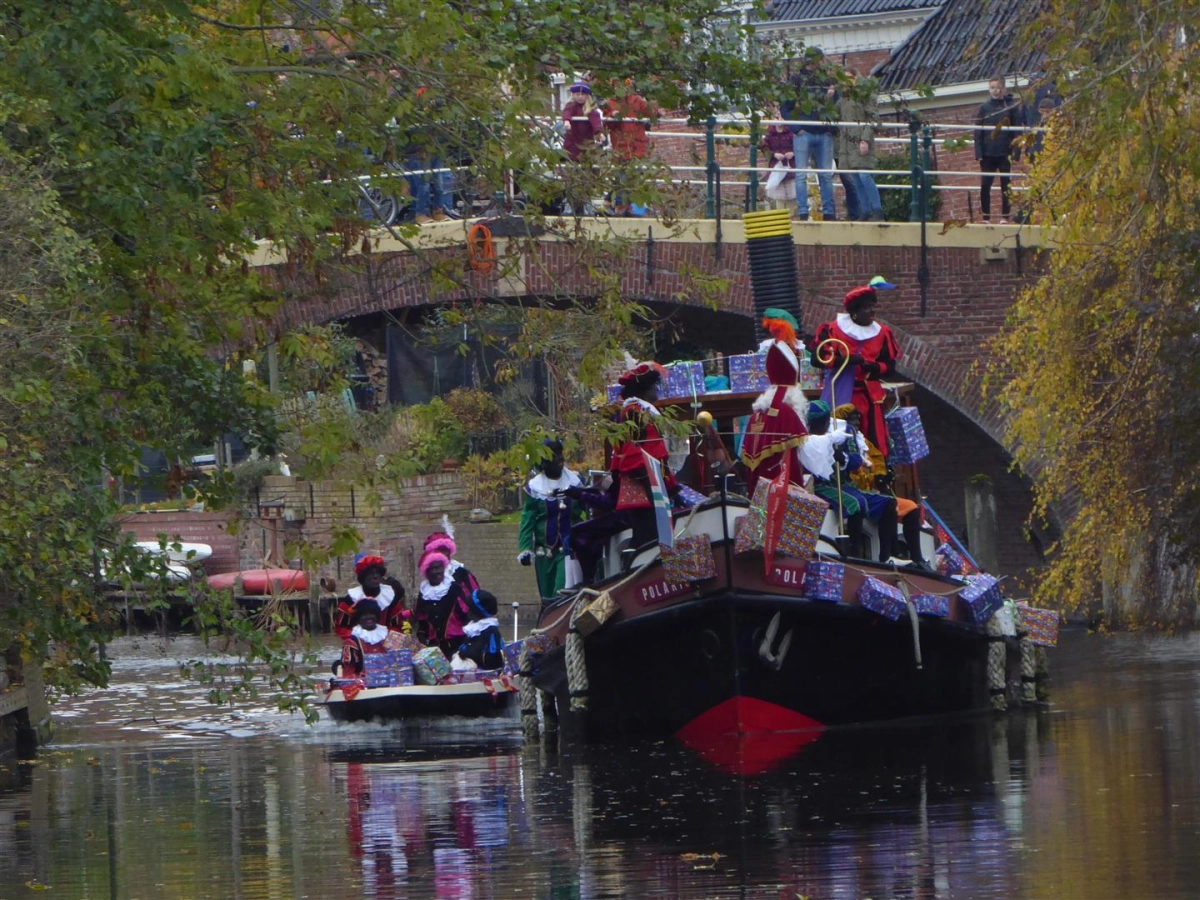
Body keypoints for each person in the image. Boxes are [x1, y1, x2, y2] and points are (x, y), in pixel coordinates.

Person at [810, 280, 901, 460]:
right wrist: (846, 361)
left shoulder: (882, 333)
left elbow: (890, 366)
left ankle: (877, 475)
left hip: (870, 397)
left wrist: (873, 367)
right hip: (842, 394)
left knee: (873, 440)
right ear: (854, 311)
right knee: (843, 437)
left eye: (873, 306)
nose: (872, 312)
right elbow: (818, 359)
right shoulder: (833, 330)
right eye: (867, 307)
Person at [834, 404, 931, 568]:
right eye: (852, 419)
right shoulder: (840, 445)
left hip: (875, 492)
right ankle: (888, 555)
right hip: (858, 492)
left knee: (912, 507)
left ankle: (917, 558)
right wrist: (873, 479)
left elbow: (878, 462)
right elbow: (848, 477)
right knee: (888, 505)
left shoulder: (864, 442)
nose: (856, 422)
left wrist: (882, 475)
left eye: (858, 419)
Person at [739, 308, 809, 496]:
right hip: (782, 497)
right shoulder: (786, 412)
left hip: (758, 496)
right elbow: (802, 454)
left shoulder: (758, 413)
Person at [610, 361, 678, 549]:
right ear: (644, 390)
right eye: (654, 387)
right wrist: (652, 484)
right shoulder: (635, 412)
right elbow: (636, 451)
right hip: (644, 482)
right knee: (647, 531)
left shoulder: (639, 410)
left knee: (650, 531)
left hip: (650, 478)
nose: (656, 391)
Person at [517, 439, 585, 599]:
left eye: (560, 454)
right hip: (544, 552)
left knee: (560, 592)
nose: (560, 459)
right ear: (544, 462)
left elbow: (588, 508)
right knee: (546, 596)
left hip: (570, 548)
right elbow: (528, 521)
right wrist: (525, 548)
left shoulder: (575, 481)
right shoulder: (535, 488)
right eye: (555, 456)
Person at [781, 52, 837, 221]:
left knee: (826, 175)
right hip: (804, 133)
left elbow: (835, 106)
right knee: (801, 174)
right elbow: (785, 107)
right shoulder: (796, 81)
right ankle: (803, 212)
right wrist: (797, 128)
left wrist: (830, 99)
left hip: (823, 131)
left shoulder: (826, 81)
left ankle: (828, 212)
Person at [974, 76, 1025, 224]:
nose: (995, 91)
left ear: (1003, 89)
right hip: (988, 152)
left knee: (1005, 185)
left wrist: (1016, 153)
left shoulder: (1011, 107)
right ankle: (986, 217)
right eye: (992, 88)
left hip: (1005, 151)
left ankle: (1004, 217)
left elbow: (1017, 131)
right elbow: (978, 131)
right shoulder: (984, 108)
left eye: (997, 87)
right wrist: (978, 153)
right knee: (985, 185)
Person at [835, 70, 885, 222]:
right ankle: (865, 210)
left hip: (861, 139)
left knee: (864, 175)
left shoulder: (865, 95)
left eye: (850, 78)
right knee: (856, 177)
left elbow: (873, 118)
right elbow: (833, 113)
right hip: (847, 142)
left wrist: (865, 140)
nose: (846, 82)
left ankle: (877, 210)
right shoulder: (843, 99)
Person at [604, 81, 654, 215]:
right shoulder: (610, 103)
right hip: (621, 146)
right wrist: (612, 116)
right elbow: (607, 123)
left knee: (632, 177)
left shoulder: (637, 100)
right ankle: (621, 206)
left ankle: (621, 205)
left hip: (637, 146)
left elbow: (649, 111)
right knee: (622, 177)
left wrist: (657, 111)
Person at [333, 554, 408, 640]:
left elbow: (397, 626)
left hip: (386, 642)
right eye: (371, 574)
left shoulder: (390, 598)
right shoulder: (350, 600)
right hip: (358, 642)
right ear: (363, 577)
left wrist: (384, 637)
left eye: (377, 573)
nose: (375, 576)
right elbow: (341, 627)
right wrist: (358, 637)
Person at [335, 600, 393, 677]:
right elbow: (349, 670)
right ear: (358, 618)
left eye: (372, 613)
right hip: (362, 681)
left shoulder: (389, 635)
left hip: (388, 678)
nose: (369, 617)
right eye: (364, 614)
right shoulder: (351, 642)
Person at [455, 589, 505, 671]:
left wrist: (468, 653)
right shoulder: (472, 628)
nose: (467, 611)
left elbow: (493, 658)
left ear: (477, 612)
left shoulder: (490, 630)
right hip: (469, 671)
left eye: (470, 608)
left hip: (483, 673)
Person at [759, 110, 796, 214]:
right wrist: (774, 154)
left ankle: (791, 217)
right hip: (776, 166)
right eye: (776, 117)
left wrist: (792, 153)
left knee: (792, 195)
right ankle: (781, 216)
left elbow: (798, 145)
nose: (779, 119)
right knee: (779, 197)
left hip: (791, 166)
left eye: (781, 117)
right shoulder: (769, 133)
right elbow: (764, 147)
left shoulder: (791, 132)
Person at [562, 81, 603, 163]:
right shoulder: (571, 106)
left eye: (583, 94)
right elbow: (567, 112)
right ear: (573, 95)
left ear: (587, 96)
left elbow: (595, 121)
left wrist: (599, 132)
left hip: (586, 140)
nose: (580, 97)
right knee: (571, 159)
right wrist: (567, 121)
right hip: (572, 140)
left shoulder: (590, 109)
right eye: (577, 94)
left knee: (587, 160)